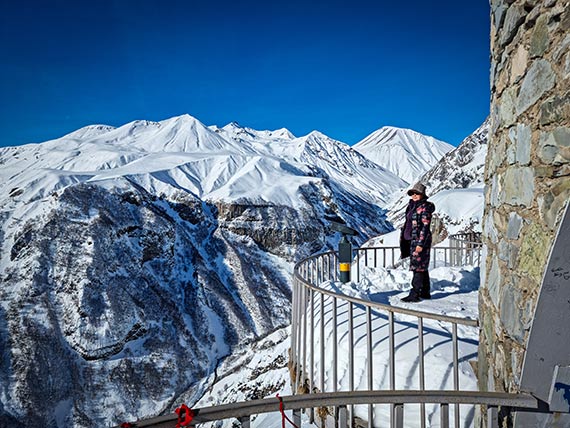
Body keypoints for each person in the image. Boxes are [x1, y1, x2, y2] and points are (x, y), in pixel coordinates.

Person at [399, 182, 435, 302]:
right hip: (412, 240)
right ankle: (425, 292)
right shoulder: (412, 206)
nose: (414, 195)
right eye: (412, 193)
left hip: (420, 241)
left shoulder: (424, 207)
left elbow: (425, 226)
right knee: (421, 267)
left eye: (417, 193)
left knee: (417, 267)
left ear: (422, 194)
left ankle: (414, 293)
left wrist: (420, 244)